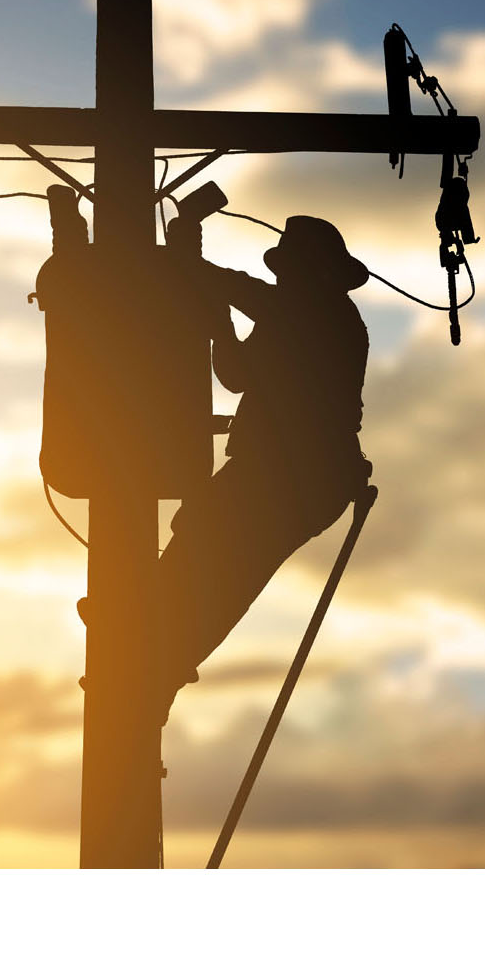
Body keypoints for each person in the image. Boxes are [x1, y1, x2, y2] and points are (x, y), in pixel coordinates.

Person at [155, 213, 373, 720]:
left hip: (296, 475)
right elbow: (236, 372)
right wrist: (214, 307)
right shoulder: (300, 314)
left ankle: (160, 655)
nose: (281, 279)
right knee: (210, 546)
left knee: (215, 553)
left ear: (311, 274)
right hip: (295, 475)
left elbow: (234, 296)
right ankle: (160, 646)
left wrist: (199, 280)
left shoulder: (317, 314)